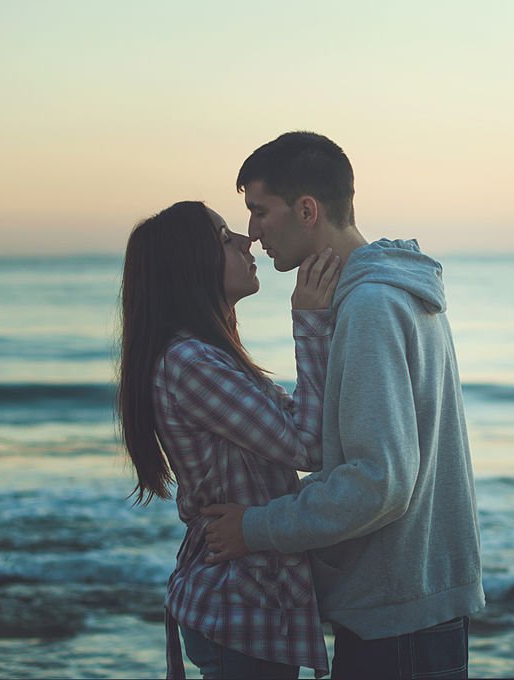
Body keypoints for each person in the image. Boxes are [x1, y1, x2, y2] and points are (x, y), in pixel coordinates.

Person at [201, 132, 485, 680]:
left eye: (259, 212)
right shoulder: (397, 291)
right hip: (415, 608)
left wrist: (255, 527)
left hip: (395, 620)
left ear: (307, 209)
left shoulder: (371, 307)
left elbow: (377, 482)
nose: (253, 234)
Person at [117, 200, 339, 679]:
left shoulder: (208, 356)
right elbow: (308, 443)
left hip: (249, 604)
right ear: (189, 267)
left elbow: (294, 430)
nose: (246, 239)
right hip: (239, 605)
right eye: (223, 237)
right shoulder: (191, 362)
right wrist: (310, 322)